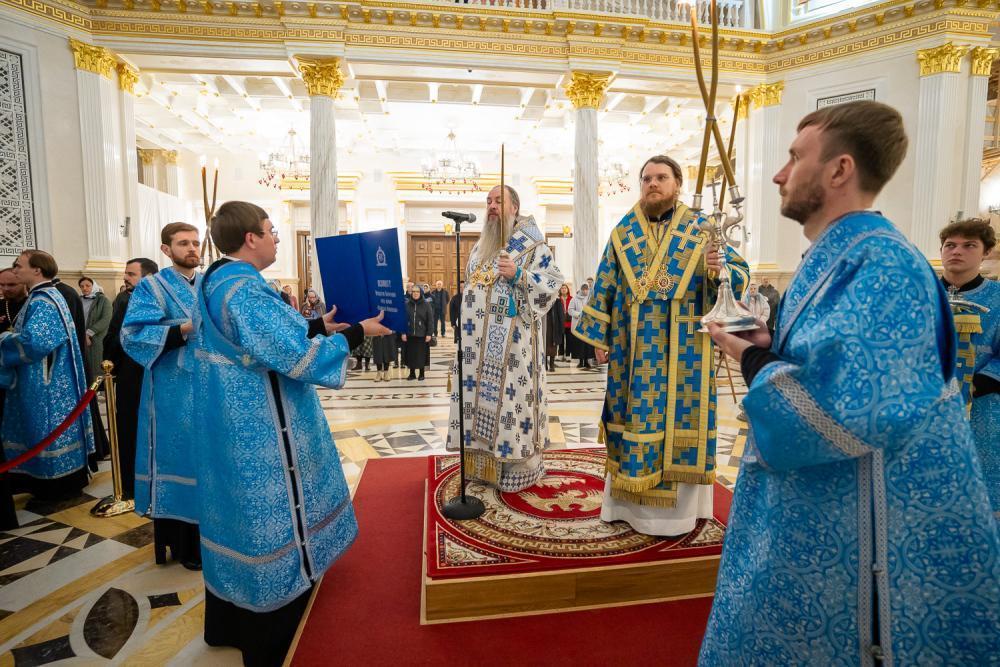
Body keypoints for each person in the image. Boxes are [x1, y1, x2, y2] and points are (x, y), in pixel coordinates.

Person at [702, 101, 1000, 663]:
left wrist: (753, 360)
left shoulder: (882, 263)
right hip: (825, 503)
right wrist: (770, 344)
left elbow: (850, 409)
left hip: (872, 527)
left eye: (795, 157)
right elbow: (833, 361)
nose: (779, 174)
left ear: (839, 170)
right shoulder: (842, 254)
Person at [190, 201, 390, 666]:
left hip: (227, 419)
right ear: (251, 239)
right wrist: (358, 332)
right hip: (260, 424)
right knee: (270, 516)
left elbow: (260, 339)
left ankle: (227, 620)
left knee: (237, 517)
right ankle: (275, 627)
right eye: (271, 230)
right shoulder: (246, 291)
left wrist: (317, 325)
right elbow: (301, 358)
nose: (276, 238)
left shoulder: (215, 280)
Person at [572, 154, 749, 537]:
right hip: (631, 349)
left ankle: (681, 515)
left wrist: (719, 270)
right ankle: (627, 508)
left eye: (661, 177)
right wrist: (600, 337)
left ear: (677, 184)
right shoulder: (624, 232)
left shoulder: (701, 228)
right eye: (647, 178)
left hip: (687, 351)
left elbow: (740, 274)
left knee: (679, 421)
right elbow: (605, 283)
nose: (653, 183)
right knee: (631, 417)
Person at [446, 185, 563, 491]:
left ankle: (518, 467)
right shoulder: (481, 246)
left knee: (510, 405)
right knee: (477, 403)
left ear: (515, 207)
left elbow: (552, 283)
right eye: (488, 201)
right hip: (477, 349)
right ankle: (483, 466)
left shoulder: (532, 244)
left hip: (513, 350)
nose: (492, 206)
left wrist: (519, 275)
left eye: (499, 201)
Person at [121, 223, 203, 570]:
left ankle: (211, 539)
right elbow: (133, 334)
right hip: (172, 391)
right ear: (167, 250)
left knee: (208, 460)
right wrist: (184, 328)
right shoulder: (151, 287)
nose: (192, 248)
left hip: (210, 386)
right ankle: (185, 544)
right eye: (183, 243)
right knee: (180, 458)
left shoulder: (209, 283)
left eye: (196, 242)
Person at [1, 250, 95, 499]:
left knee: (46, 428)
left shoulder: (43, 301)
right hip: (47, 378)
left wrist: (5, 339)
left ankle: (53, 486)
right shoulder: (43, 296)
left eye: (19, 265)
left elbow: (36, 342)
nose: (15, 269)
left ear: (37, 270)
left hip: (47, 383)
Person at [939, 217, 999, 514]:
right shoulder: (921, 295)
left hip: (981, 406)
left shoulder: (997, 299)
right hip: (925, 403)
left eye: (969, 245)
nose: (957, 251)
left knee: (980, 482)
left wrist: (974, 385)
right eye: (950, 245)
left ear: (985, 252)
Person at [103, 257, 159, 506]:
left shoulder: (137, 300)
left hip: (138, 374)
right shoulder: (126, 299)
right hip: (130, 375)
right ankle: (131, 483)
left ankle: (138, 484)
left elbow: (120, 338)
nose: (125, 278)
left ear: (148, 277)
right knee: (128, 428)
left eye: (131, 274)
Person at [0, 267, 28, 528]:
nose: (6, 290)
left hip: (20, 376)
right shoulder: (3, 306)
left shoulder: (32, 305)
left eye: (11, 285)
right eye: (2, 285)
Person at [79, 277, 112, 380]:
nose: (84, 288)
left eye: (87, 285)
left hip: (96, 338)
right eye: (82, 286)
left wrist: (89, 333)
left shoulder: (103, 300)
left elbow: (106, 319)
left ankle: (97, 387)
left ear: (93, 286)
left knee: (96, 365)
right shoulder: (79, 299)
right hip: (80, 336)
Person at [403, 285, 433, 381]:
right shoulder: (407, 305)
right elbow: (403, 320)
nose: (415, 293)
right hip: (410, 334)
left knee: (421, 355)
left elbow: (430, 320)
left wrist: (429, 334)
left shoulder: (426, 305)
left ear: (421, 293)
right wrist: (403, 333)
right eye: (413, 291)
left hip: (422, 335)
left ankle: (421, 373)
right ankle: (412, 374)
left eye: (417, 292)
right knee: (411, 354)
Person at [567, 282, 595, 369]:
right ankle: (580, 361)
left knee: (587, 344)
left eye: (587, 289)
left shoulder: (590, 298)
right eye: (584, 289)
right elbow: (570, 310)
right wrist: (579, 314)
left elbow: (593, 309)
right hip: (578, 325)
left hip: (588, 325)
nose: (585, 291)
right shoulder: (574, 299)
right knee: (579, 344)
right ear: (581, 290)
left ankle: (587, 361)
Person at [544, 287, 564, 372]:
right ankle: (544, 365)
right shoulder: (544, 299)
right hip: (545, 325)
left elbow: (561, 315)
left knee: (553, 345)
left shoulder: (557, 301)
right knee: (544, 345)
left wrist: (561, 328)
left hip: (554, 326)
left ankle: (552, 365)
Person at [557, 283, 572, 361]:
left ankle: (568, 355)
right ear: (560, 290)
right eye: (562, 288)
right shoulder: (557, 299)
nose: (563, 289)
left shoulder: (571, 298)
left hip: (569, 323)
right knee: (561, 340)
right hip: (560, 323)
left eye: (565, 288)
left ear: (567, 290)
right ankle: (561, 354)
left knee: (569, 340)